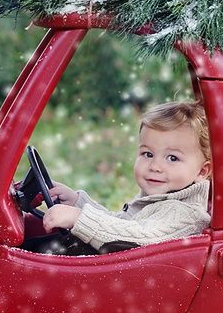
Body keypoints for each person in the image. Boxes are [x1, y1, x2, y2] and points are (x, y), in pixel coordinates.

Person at [42, 101, 212, 252]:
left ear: (201, 172)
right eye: (147, 154)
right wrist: (77, 203)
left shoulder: (185, 214)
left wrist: (79, 218)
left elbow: (137, 238)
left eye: (172, 158)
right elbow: (121, 224)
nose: (155, 166)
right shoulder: (160, 199)